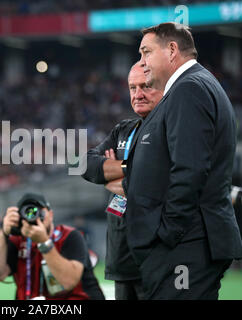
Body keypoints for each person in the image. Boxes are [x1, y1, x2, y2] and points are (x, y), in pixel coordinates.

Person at [122, 22, 242, 299]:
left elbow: (190, 170)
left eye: (146, 53)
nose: (142, 62)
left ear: (172, 50)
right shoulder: (196, 84)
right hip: (189, 241)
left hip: (187, 244)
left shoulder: (189, 88)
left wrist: (166, 235)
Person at [82, 62, 163, 300]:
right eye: (132, 87)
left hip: (154, 258)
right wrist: (130, 168)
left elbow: (156, 178)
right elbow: (85, 165)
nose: (138, 94)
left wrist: (113, 172)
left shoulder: (169, 128)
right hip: (121, 257)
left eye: (146, 87)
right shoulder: (124, 130)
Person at [0, 193, 105, 300]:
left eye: (39, 211)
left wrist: (44, 243)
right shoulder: (17, 241)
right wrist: (4, 233)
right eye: (27, 211)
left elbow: (68, 282)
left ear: (51, 215)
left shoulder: (69, 236)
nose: (33, 216)